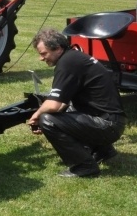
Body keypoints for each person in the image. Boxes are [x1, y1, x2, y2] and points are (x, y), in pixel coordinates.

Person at [27, 28, 126, 178]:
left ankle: (85, 166)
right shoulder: (73, 58)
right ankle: (103, 150)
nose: (41, 58)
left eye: (43, 53)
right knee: (63, 111)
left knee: (47, 120)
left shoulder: (67, 63)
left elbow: (54, 105)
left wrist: (36, 115)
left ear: (58, 49)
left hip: (108, 125)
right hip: (113, 121)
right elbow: (61, 105)